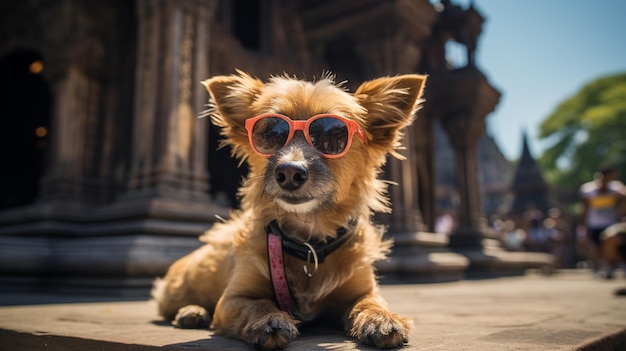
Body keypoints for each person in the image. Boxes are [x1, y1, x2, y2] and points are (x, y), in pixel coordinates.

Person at [580, 165, 626, 278]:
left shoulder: (616, 187)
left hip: (612, 223)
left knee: (611, 245)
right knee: (597, 249)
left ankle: (611, 266)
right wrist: (582, 226)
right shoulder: (588, 189)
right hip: (594, 224)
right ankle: (602, 267)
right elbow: (585, 209)